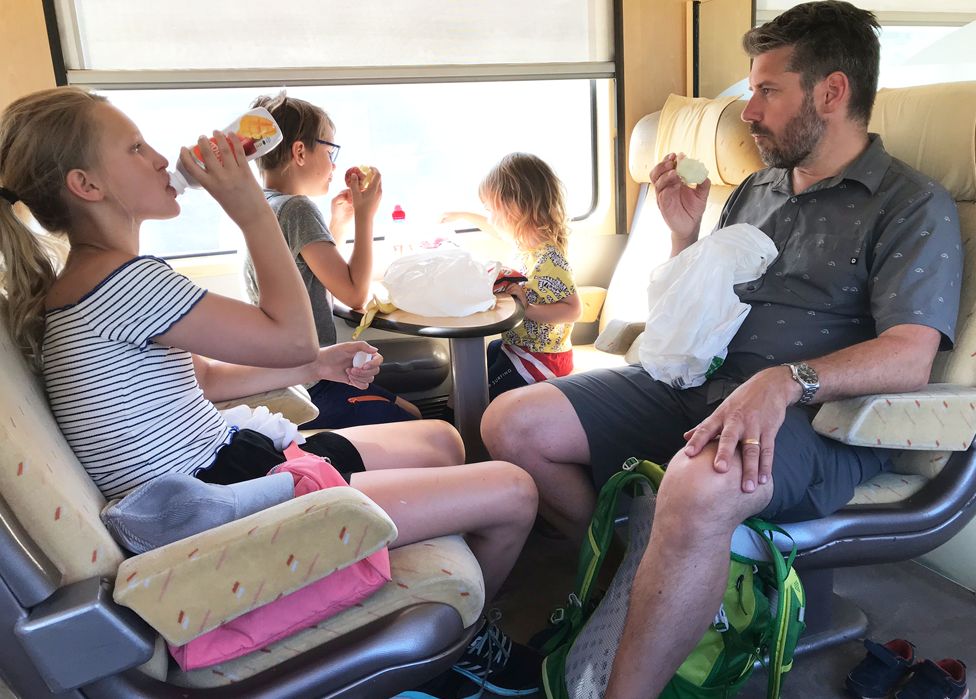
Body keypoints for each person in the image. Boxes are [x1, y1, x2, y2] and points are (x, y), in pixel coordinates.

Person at [480, 2, 963, 697]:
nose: (750, 112)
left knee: (698, 485)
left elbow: (909, 355)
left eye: (767, 90)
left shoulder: (911, 205)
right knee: (512, 423)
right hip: (709, 380)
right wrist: (683, 240)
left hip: (820, 421)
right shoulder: (757, 190)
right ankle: (646, 573)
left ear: (831, 92)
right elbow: (702, 316)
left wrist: (784, 381)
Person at [0, 86, 540, 696]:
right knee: (516, 491)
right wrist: (253, 208)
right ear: (86, 186)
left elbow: (200, 379)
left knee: (442, 438)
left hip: (227, 461)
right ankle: (464, 649)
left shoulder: (89, 284)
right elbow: (287, 337)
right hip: (223, 506)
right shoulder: (125, 281)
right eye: (134, 148)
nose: (159, 157)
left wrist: (315, 368)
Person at [242, 91, 421, 429]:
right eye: (329, 151)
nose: (334, 165)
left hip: (288, 376)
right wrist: (367, 216)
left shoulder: (261, 206)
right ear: (300, 152)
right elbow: (352, 292)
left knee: (409, 409)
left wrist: (338, 223)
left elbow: (307, 273)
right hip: (315, 381)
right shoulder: (297, 208)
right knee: (415, 419)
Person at [442, 152, 582, 400]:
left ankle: (471, 430)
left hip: (544, 356)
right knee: (484, 358)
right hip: (519, 346)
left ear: (515, 208)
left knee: (480, 393)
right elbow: (492, 227)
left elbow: (573, 310)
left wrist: (527, 309)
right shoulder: (524, 244)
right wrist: (462, 215)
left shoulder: (549, 259)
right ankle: (457, 418)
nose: (491, 218)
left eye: (492, 209)